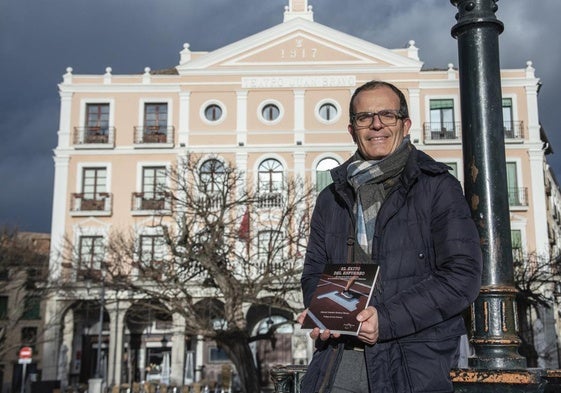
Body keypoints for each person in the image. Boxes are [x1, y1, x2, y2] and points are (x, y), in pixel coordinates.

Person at [298, 80, 483, 393]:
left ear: (405, 124)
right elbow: (313, 272)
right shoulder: (331, 198)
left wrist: (384, 320)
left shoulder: (437, 186)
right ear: (352, 129)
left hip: (413, 368)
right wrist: (325, 314)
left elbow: (462, 276)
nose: (376, 125)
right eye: (364, 117)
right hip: (337, 364)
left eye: (387, 115)